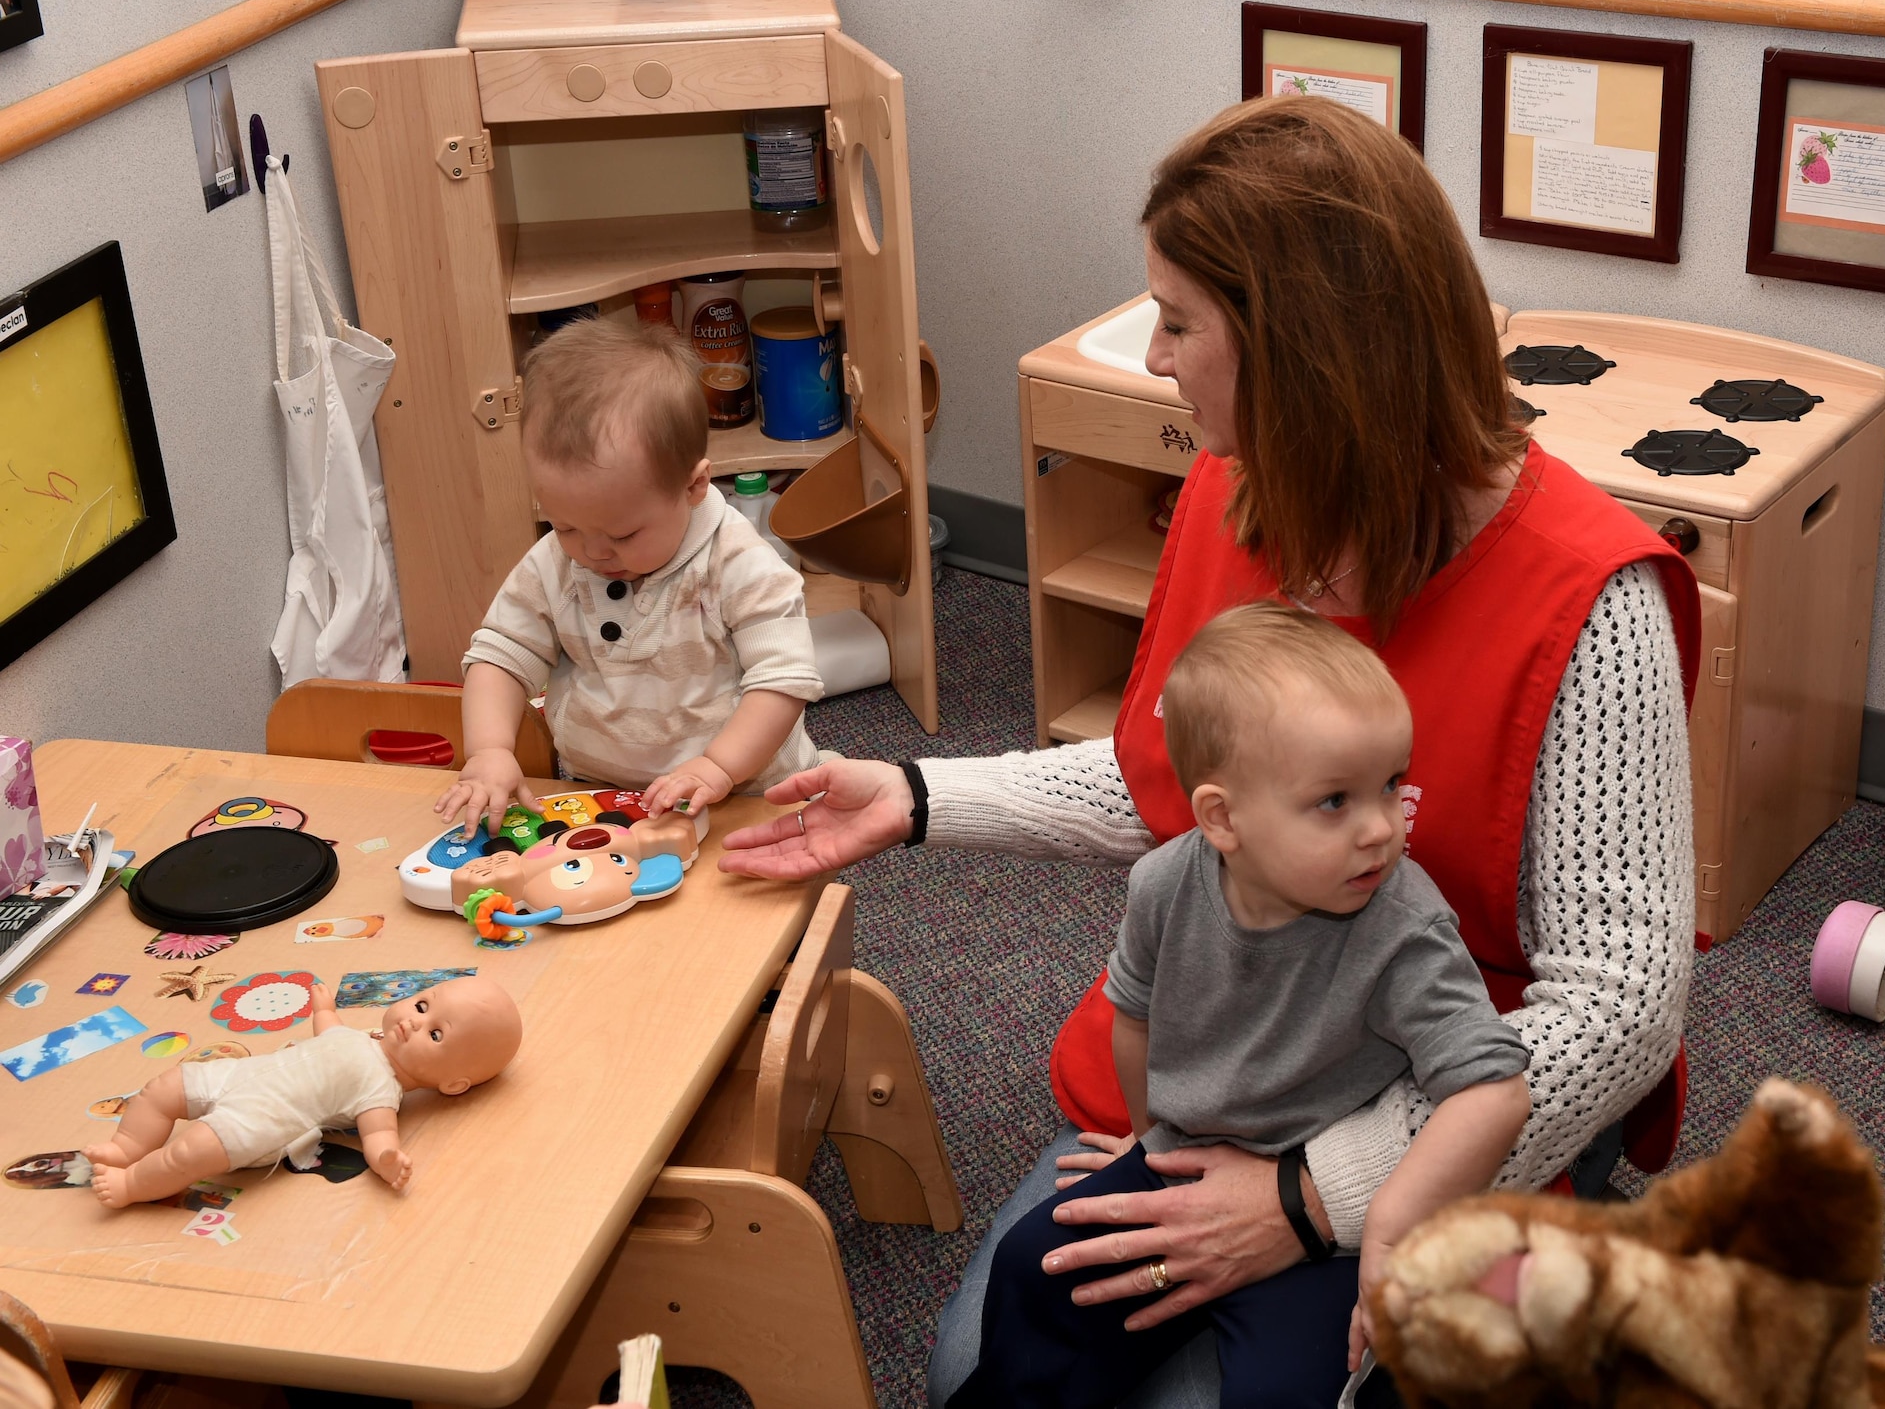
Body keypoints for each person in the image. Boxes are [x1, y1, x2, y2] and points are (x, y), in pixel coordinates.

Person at [718, 93, 1702, 1409]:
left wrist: (1311, 1200)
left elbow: (1619, 1009)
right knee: (977, 1370)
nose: (1158, 357)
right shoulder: (1237, 496)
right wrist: (911, 795)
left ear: (1302, 350)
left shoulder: (1594, 602)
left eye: (1181, 322)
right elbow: (1177, 793)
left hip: (1451, 1087)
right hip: (1242, 1044)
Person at [949, 604, 1531, 1407]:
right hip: (1192, 1159)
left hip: (1324, 1226)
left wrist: (1390, 1227)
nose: (1382, 828)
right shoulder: (1163, 882)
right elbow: (1135, 1014)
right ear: (1222, 818)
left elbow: (1496, 1088)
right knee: (1032, 1272)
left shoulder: (1405, 925)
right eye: (1335, 800)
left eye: (1392, 785)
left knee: (1285, 1390)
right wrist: (1147, 1138)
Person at [437, 319, 823, 834]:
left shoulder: (738, 563)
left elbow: (783, 681)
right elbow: (501, 656)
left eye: (622, 534)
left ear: (694, 486)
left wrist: (719, 767)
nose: (592, 552)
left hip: (745, 793)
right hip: (593, 790)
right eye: (565, 525)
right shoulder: (557, 559)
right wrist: (488, 751)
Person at [85, 977, 522, 1206]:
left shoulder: (380, 1091)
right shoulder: (361, 1038)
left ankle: (131, 1184)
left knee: (188, 1153)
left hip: (261, 1120)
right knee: (161, 1089)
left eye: (437, 1034)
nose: (414, 1021)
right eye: (423, 1006)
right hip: (241, 1074)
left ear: (453, 1084)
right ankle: (126, 1147)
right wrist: (325, 1010)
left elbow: (378, 1136)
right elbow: (330, 1034)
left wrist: (387, 1160)